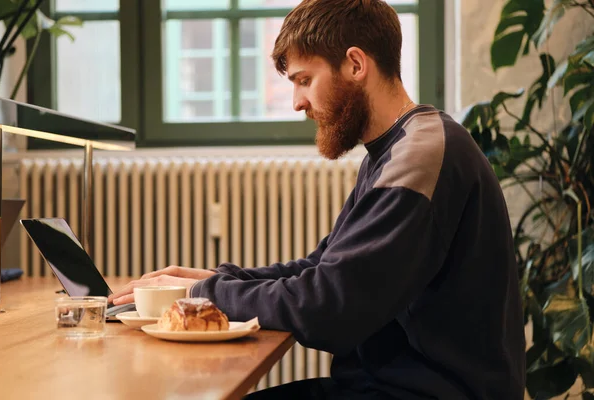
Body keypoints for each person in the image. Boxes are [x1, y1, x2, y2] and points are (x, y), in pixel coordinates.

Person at [109, 0, 526, 398]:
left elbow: (330, 307)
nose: (297, 103)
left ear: (356, 64)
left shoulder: (421, 153)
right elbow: (323, 267)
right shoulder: (398, 148)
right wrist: (214, 281)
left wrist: (210, 292)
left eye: (305, 80)